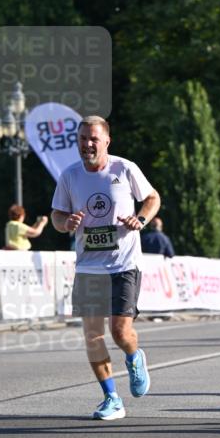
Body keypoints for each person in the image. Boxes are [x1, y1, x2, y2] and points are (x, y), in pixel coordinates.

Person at [51, 116, 161, 421]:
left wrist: (141, 219)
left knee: (120, 331)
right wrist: (66, 223)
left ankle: (133, 355)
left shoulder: (124, 168)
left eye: (94, 139)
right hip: (89, 267)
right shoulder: (69, 176)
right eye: (83, 138)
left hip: (124, 263)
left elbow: (152, 197)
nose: (87, 144)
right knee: (93, 336)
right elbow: (57, 215)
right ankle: (111, 397)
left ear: (106, 141)